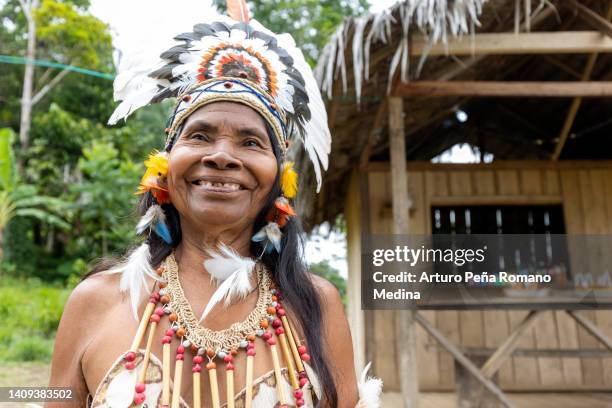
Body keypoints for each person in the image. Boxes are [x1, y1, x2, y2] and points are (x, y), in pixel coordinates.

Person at [48, 4, 382, 408]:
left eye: (250, 142)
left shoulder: (317, 304)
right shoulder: (95, 301)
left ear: (279, 176)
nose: (222, 156)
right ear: (164, 166)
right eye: (201, 136)